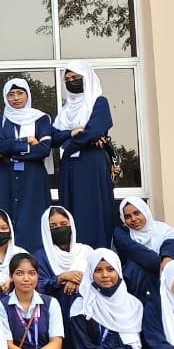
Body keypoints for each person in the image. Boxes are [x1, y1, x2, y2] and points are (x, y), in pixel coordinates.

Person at [51, 62, 116, 249]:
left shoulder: (98, 102)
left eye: (76, 77)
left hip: (91, 163)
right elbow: (53, 137)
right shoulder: (66, 109)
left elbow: (95, 130)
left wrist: (70, 143)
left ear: (87, 77)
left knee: (93, 210)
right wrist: (73, 134)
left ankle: (97, 255)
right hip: (69, 166)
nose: (72, 81)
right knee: (71, 212)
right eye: (68, 79)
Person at [0, 78, 52, 251]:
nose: (16, 98)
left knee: (34, 220)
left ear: (28, 95)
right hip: (4, 177)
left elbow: (44, 149)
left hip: (33, 177)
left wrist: (9, 152)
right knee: (3, 219)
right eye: (11, 94)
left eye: (20, 93)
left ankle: (33, 262)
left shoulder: (41, 118)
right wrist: (26, 142)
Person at [113, 196, 174, 300]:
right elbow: (140, 254)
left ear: (145, 211)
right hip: (135, 284)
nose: (133, 219)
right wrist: (165, 265)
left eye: (137, 213)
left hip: (160, 279)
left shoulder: (164, 230)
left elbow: (171, 246)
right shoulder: (121, 233)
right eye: (127, 217)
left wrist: (168, 259)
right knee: (135, 265)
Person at [33, 205, 92, 316]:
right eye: (53, 226)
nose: (59, 228)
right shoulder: (40, 256)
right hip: (53, 312)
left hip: (86, 313)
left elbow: (97, 279)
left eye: (64, 224)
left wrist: (79, 282)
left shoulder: (86, 251)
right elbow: (36, 286)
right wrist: (59, 279)